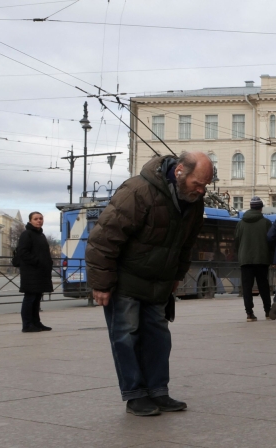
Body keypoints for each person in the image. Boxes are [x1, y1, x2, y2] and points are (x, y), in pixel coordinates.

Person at [86, 151, 214, 416]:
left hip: (159, 281)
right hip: (126, 279)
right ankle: (135, 395)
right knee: (126, 335)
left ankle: (158, 391)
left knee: (158, 337)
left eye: (205, 186)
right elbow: (104, 238)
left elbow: (186, 244)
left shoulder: (194, 201)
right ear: (179, 171)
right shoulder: (137, 190)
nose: (201, 191)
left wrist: (177, 277)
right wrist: (101, 283)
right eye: (197, 184)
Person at [235, 196, 273, 322]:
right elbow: (271, 242)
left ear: (250, 207)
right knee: (263, 286)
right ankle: (268, 311)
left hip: (245, 259)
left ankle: (249, 314)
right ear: (261, 208)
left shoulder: (240, 223)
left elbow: (237, 242)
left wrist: (240, 255)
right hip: (262, 259)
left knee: (247, 287)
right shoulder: (266, 223)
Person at [15, 211, 54, 332]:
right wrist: (37, 261)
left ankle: (36, 323)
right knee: (30, 297)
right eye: (36, 219)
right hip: (31, 272)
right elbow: (23, 252)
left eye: (41, 218)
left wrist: (48, 263)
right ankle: (27, 325)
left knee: (37, 298)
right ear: (30, 221)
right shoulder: (27, 234)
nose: (39, 221)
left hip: (40, 272)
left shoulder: (40, 235)